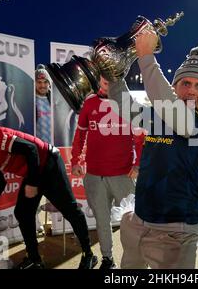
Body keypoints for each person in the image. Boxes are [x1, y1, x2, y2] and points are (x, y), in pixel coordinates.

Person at [107, 30, 198, 269]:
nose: (191, 90)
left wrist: (147, 58)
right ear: (175, 87)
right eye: (185, 83)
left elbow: (179, 118)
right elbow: (126, 107)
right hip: (141, 219)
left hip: (176, 229)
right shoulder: (162, 118)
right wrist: (114, 74)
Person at [0, 127, 98, 269]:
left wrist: (33, 183)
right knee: (22, 213)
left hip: (48, 162)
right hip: (32, 171)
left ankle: (89, 254)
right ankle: (35, 260)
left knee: (70, 209)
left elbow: (31, 149)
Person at [70, 75, 145, 269]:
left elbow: (140, 139)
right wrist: (76, 160)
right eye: (103, 75)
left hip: (123, 175)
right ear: (98, 79)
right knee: (102, 221)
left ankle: (136, 263)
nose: (107, 80)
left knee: (134, 223)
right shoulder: (90, 103)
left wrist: (138, 165)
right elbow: (80, 133)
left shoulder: (129, 104)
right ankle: (107, 259)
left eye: (112, 76)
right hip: (95, 176)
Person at [35, 64, 52, 144]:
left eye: (45, 82)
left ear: (49, 84)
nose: (42, 85)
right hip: (37, 147)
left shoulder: (54, 100)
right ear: (34, 83)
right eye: (39, 82)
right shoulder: (30, 100)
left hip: (54, 147)